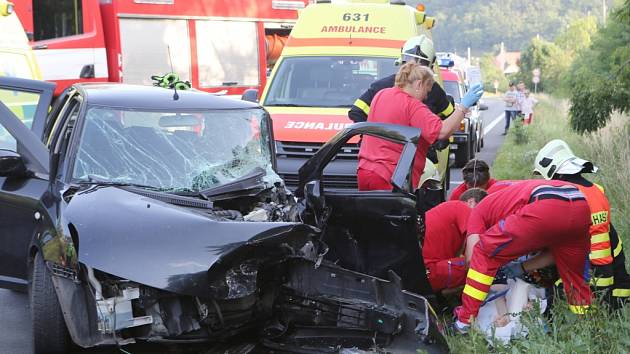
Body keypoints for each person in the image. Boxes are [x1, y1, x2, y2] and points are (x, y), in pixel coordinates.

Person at [452, 179, 592, 333]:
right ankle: (585, 325)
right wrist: (521, 267)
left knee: (483, 253)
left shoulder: (478, 211)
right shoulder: (505, 199)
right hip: (580, 204)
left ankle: (464, 322)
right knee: (575, 278)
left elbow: (473, 257)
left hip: (545, 205)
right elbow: (556, 254)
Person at [532, 139, 630, 306]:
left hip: (586, 272)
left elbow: (559, 240)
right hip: (606, 271)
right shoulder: (597, 190)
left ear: (556, 173)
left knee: (559, 301)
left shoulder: (569, 195)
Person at [356, 63, 484, 191]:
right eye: (427, 90)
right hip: (390, 176)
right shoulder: (411, 105)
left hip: (365, 171)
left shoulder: (381, 95)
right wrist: (463, 107)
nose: (426, 97)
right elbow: (443, 132)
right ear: (418, 84)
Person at [348, 35, 454, 123]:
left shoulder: (433, 89)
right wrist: (375, 133)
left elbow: (448, 114)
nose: (414, 66)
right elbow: (357, 112)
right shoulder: (380, 88)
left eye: (419, 63)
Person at [423, 188, 488, 292]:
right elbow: (476, 252)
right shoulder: (462, 207)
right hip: (430, 271)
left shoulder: (449, 211)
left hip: (424, 271)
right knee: (483, 263)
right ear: (471, 202)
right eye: (484, 211)